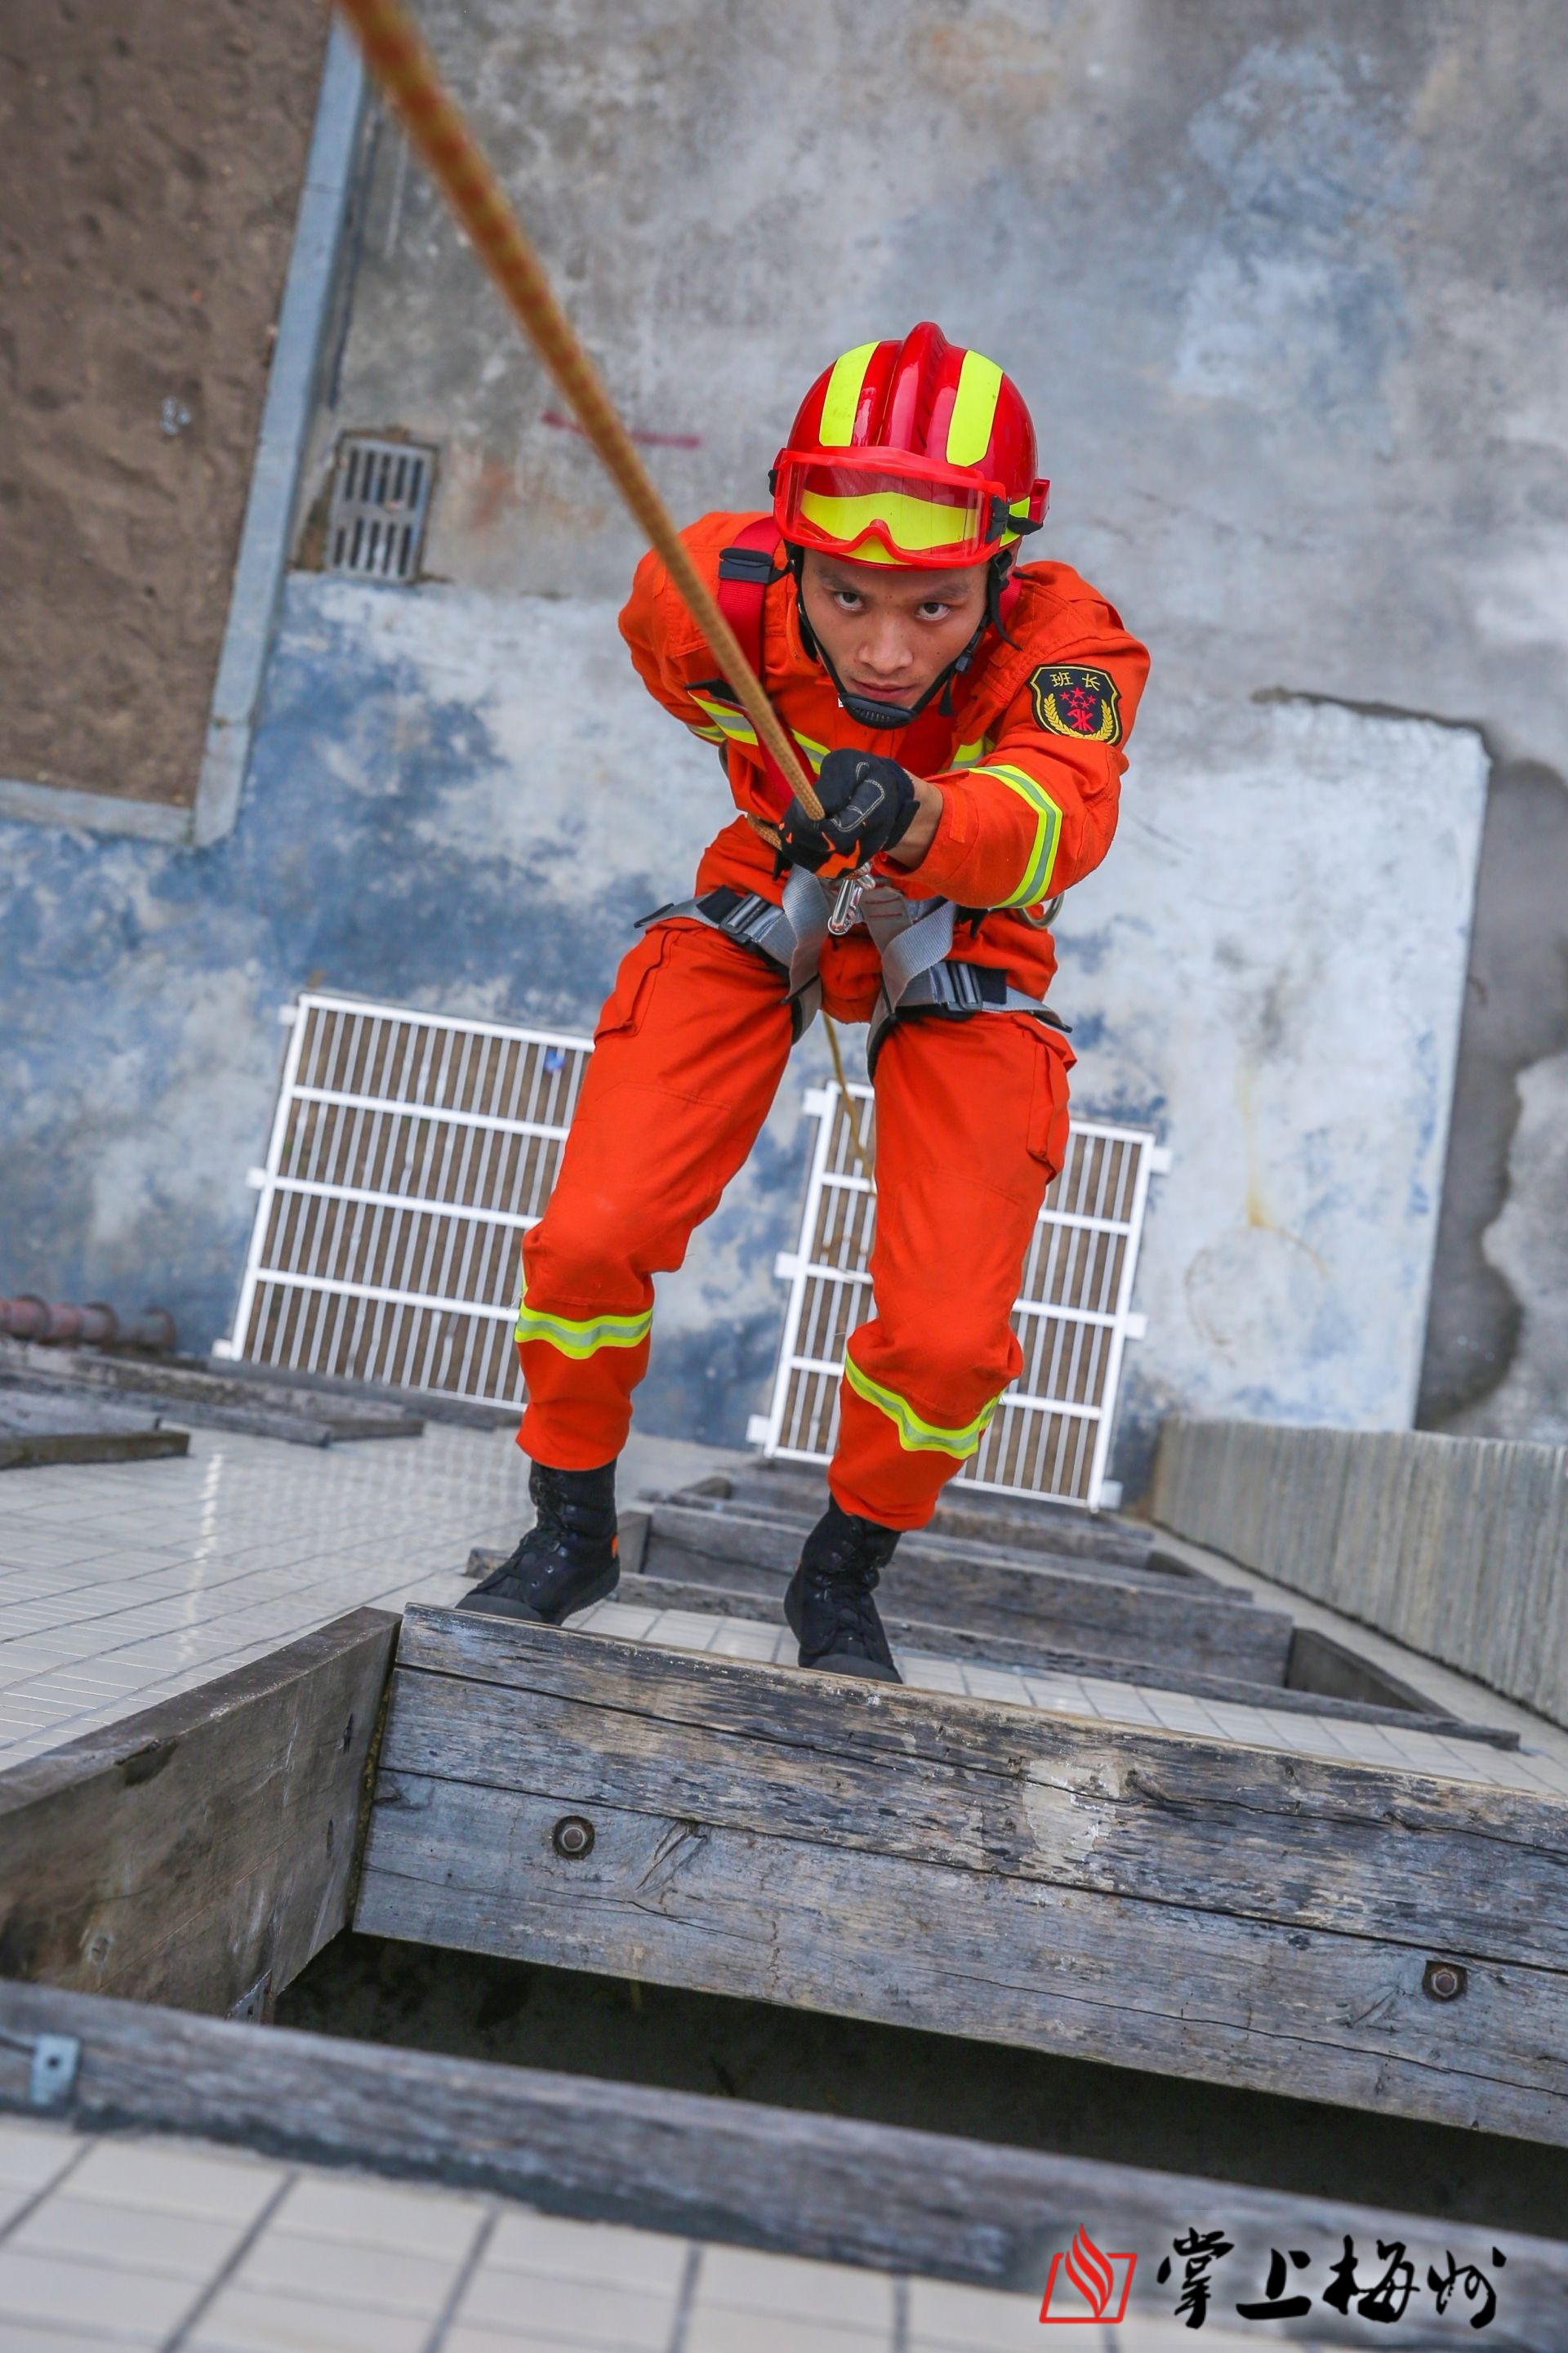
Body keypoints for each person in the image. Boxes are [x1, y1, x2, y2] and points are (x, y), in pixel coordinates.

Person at [461, 322, 1148, 1680]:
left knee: (951, 1336)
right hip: (773, 878)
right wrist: (799, 796)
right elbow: (669, 650)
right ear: (795, 549)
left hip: (967, 929)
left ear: (999, 568)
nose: (888, 651)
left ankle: (841, 1577)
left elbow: (1056, 815)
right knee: (595, 1231)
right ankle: (570, 1526)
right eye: (848, 600)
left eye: (935, 608)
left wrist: (915, 808)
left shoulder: (1069, 643)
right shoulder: (706, 589)